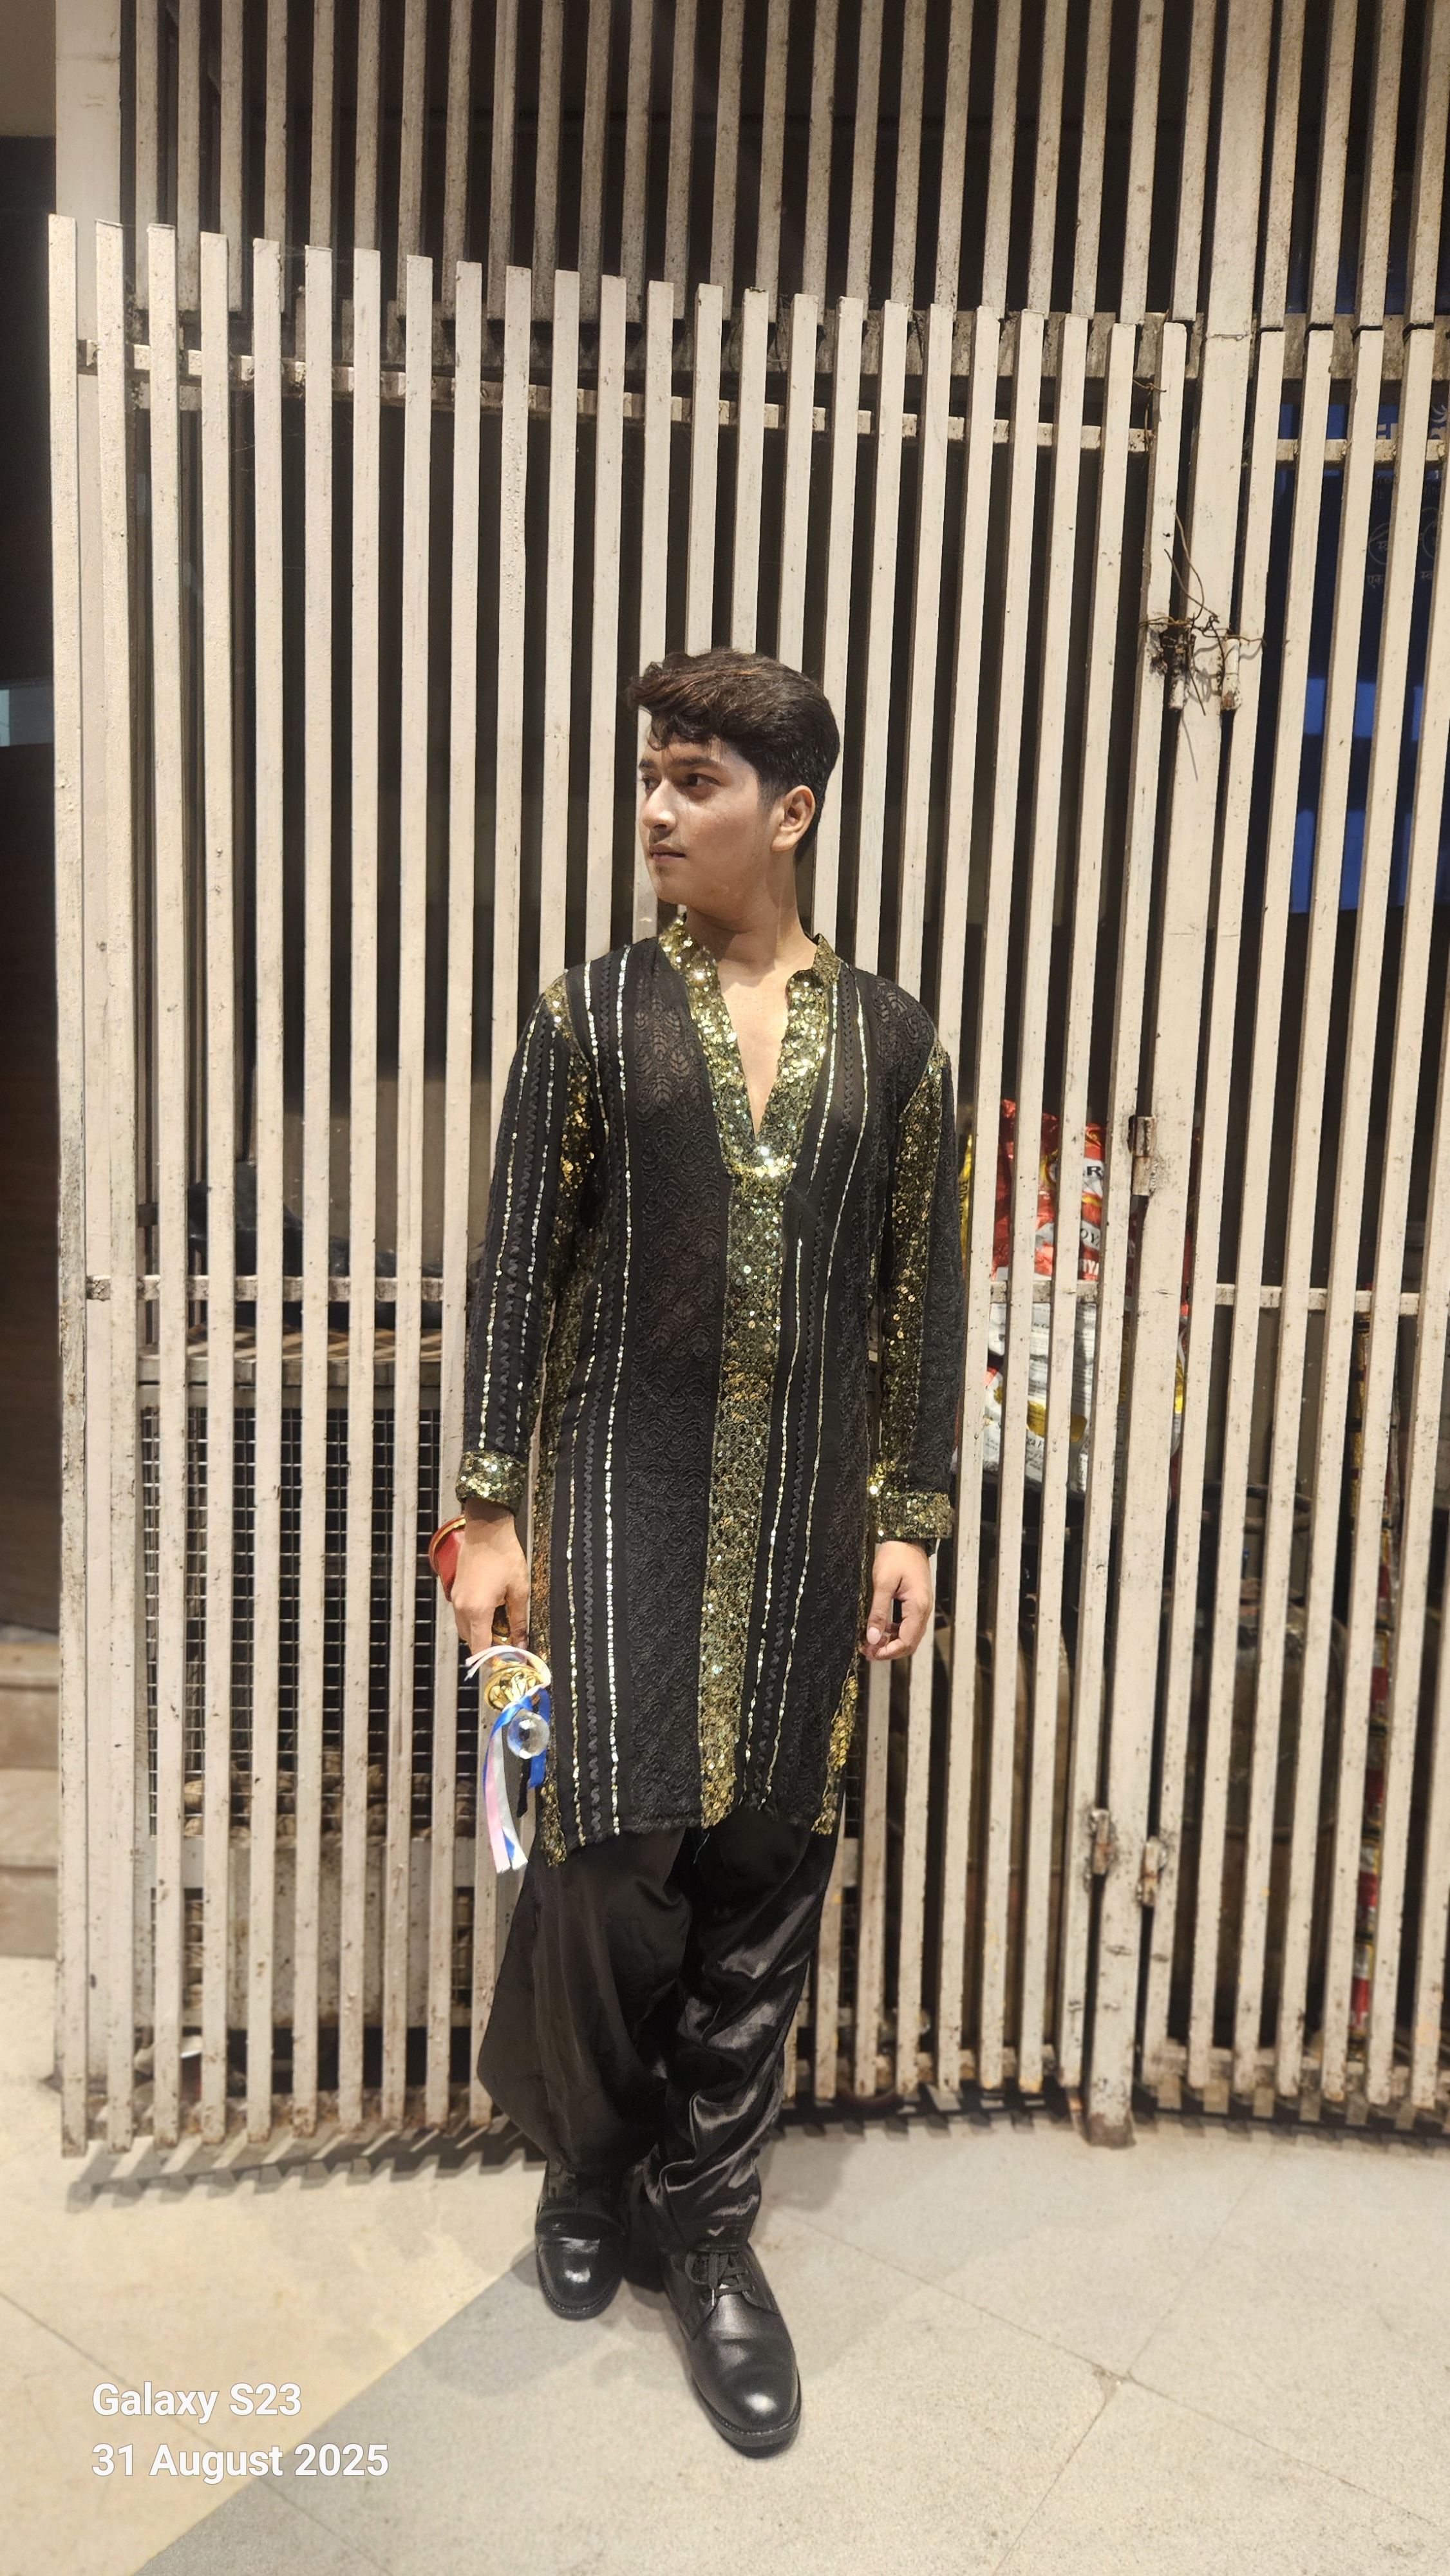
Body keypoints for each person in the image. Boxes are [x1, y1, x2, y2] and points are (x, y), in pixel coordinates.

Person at [449, 647, 965, 2454]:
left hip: (813, 1510)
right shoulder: (590, 1018)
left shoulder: (893, 1044)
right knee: (608, 1862)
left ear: (791, 810)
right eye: (650, 780)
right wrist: (488, 1511)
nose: (657, 813)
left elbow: (918, 1297)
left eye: (696, 783)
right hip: (619, 1492)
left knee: (764, 1868)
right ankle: (590, 2166)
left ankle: (712, 2227)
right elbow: (516, 1268)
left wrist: (910, 1514)